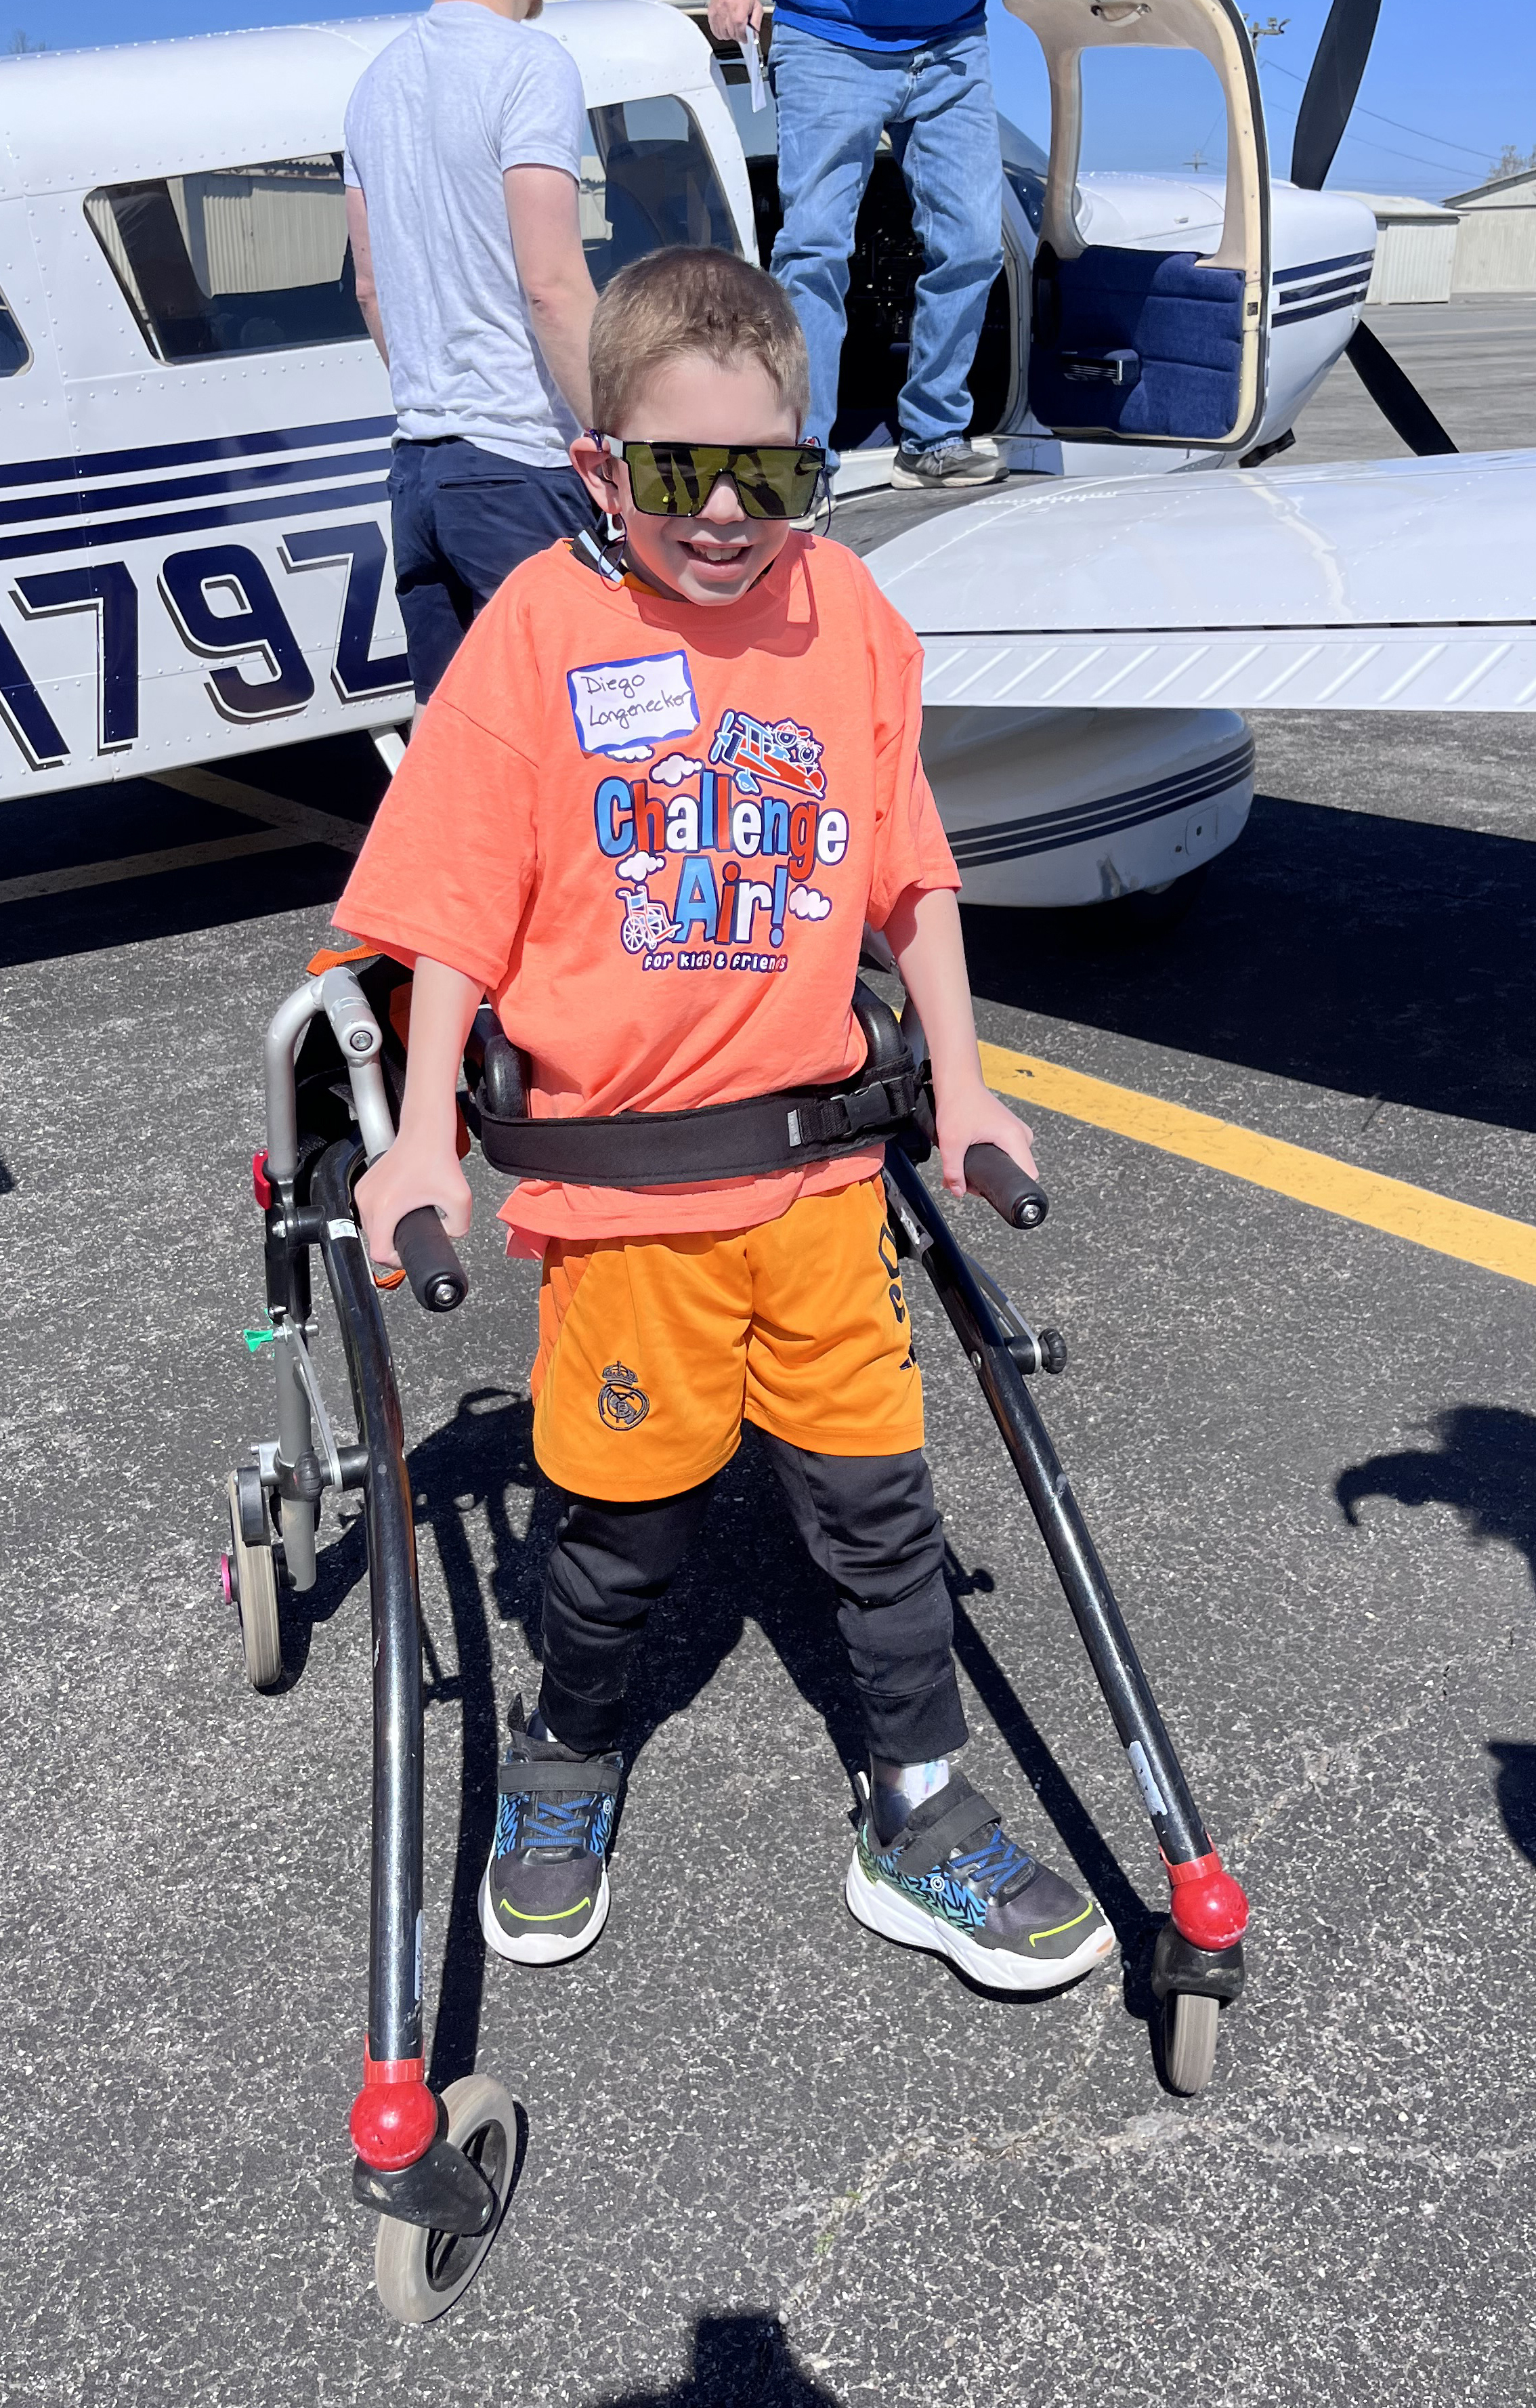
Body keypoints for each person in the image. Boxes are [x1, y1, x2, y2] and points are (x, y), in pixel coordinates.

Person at [338, 245, 1115, 1997]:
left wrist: (967, 1081)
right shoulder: (541, 630)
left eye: (766, 475)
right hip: (621, 1202)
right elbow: (453, 903)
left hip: (818, 1179)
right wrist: (420, 1136)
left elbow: (910, 873)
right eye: (678, 471)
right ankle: (567, 1748)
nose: (722, 515)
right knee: (622, 1526)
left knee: (882, 1508)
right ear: (600, 466)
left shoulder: (846, 617)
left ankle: (917, 1807)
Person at [706, 0, 1214, 488]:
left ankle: (933, 434)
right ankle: (802, 457)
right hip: (831, 31)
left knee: (977, 240)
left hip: (950, 38)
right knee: (816, 250)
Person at [344, 0, 597, 702]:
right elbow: (552, 286)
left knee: (463, 751)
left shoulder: (373, 89)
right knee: (587, 738)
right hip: (521, 468)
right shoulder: (532, 67)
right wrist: (622, 447)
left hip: (418, 472)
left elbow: (372, 292)